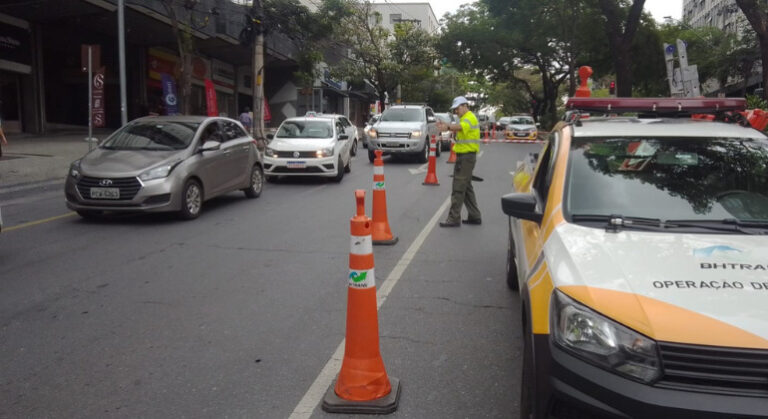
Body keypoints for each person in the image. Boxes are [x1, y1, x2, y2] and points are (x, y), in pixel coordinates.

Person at [435, 96, 482, 227]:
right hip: (465, 156)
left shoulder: (469, 118)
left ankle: (454, 218)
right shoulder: (465, 117)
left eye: (457, 108)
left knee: (458, 187)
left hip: (466, 157)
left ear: (465, 106)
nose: (456, 111)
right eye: (455, 109)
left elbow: (461, 127)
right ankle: (474, 216)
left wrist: (448, 127)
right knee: (466, 187)